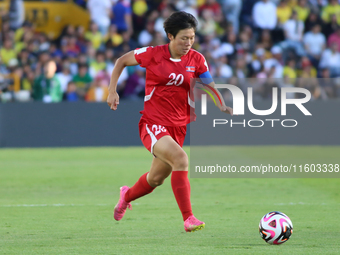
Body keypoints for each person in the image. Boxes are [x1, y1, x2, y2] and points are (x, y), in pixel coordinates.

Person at [107, 11, 233, 232]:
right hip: (153, 123)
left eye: (192, 37)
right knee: (181, 159)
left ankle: (126, 196)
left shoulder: (197, 59)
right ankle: (189, 218)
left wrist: (220, 103)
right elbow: (121, 61)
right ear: (170, 36)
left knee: (156, 179)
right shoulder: (153, 54)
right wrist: (112, 91)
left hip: (178, 126)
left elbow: (209, 85)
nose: (188, 43)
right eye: (184, 38)